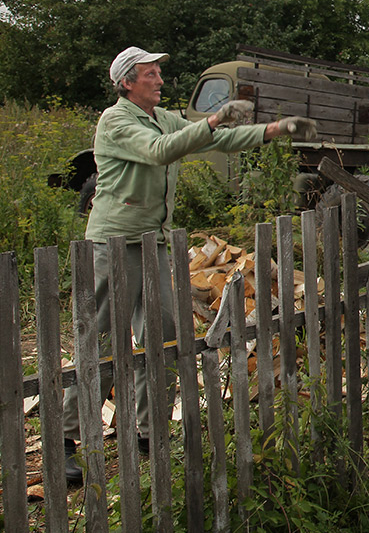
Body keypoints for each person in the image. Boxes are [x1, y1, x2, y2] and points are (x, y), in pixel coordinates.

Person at [63, 46, 317, 483]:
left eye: (160, 72)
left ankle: (149, 431)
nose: (160, 80)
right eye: (150, 74)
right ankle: (66, 440)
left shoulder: (163, 117)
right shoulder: (117, 120)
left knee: (164, 335)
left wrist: (275, 129)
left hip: (154, 242)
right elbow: (161, 151)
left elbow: (212, 138)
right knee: (99, 340)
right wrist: (215, 117)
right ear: (127, 82)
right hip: (111, 243)